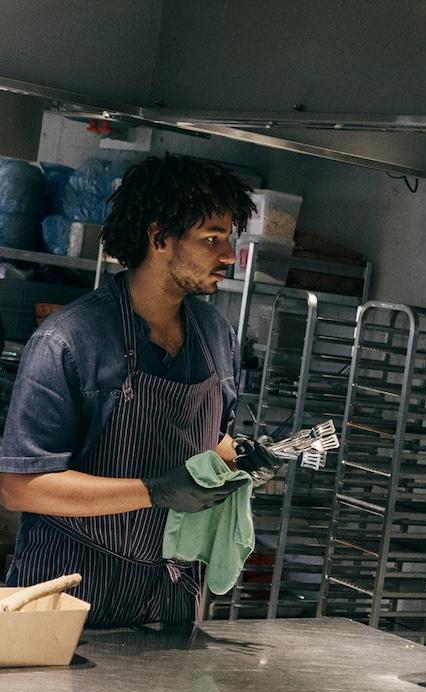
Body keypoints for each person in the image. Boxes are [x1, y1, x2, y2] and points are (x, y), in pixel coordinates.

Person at [0, 153, 276, 627]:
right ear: (159, 238)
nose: (229, 255)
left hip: (170, 595)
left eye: (228, 238)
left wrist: (240, 458)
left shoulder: (214, 335)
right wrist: (155, 491)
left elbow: (209, 440)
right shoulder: (69, 341)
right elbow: (21, 486)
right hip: (68, 589)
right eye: (212, 238)